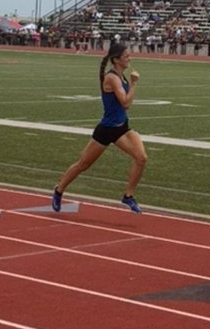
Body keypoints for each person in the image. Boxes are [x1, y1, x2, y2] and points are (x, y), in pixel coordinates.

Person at [52, 41, 147, 213]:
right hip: (106, 130)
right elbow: (125, 103)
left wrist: (130, 83)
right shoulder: (111, 78)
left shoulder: (121, 75)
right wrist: (133, 84)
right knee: (83, 164)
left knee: (141, 158)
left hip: (122, 128)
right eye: (126, 56)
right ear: (116, 60)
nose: (129, 58)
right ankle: (59, 190)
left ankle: (128, 196)